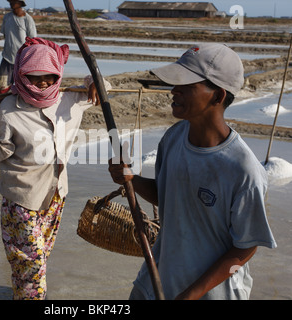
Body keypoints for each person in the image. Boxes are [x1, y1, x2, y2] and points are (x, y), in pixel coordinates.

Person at [108, 43, 276, 300]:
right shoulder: (174, 138)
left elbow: (245, 249)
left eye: (186, 85)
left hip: (210, 293)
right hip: (157, 280)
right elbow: (168, 197)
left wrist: (191, 294)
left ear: (217, 96)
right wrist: (131, 178)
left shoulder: (243, 170)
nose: (173, 91)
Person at [0, 37, 111, 300]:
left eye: (50, 76)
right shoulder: (10, 110)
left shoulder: (70, 99)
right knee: (32, 266)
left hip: (56, 195)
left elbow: (106, 88)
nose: (44, 82)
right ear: (22, 75)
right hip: (22, 200)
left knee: (37, 260)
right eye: (35, 77)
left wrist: (93, 82)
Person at [0, 0, 37, 96]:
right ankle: (1, 105)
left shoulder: (27, 19)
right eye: (10, 1)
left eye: (13, 1)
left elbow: (33, 40)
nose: (11, 3)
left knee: (24, 85)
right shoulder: (7, 17)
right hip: (7, 57)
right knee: (2, 84)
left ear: (20, 3)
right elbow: (5, 34)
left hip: (22, 58)